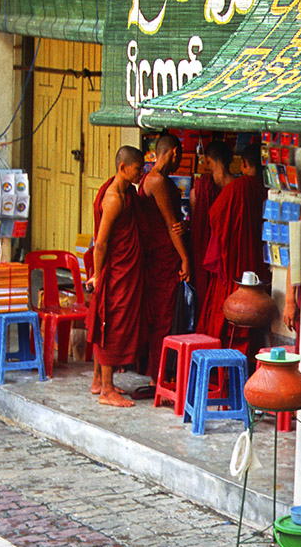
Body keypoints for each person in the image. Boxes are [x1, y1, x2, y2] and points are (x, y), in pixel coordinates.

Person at [87, 146, 146, 408]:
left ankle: (99, 380)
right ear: (123, 168)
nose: (141, 172)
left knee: (111, 320)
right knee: (111, 323)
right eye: (137, 168)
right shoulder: (113, 199)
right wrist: (98, 276)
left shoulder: (128, 192)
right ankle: (107, 391)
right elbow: (101, 243)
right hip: (114, 272)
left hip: (125, 268)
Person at [198, 144, 267, 345]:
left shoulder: (239, 188)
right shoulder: (264, 190)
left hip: (233, 264)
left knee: (228, 313)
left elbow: (215, 217)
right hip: (257, 262)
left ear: (244, 164)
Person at [136, 133, 191, 380]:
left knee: (162, 314)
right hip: (163, 257)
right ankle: (158, 374)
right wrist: (185, 258)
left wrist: (182, 226)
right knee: (163, 316)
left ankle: (160, 372)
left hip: (159, 253)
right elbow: (171, 225)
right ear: (174, 153)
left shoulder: (154, 179)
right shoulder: (157, 180)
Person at [189, 141, 230, 302]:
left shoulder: (198, 192)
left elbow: (195, 228)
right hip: (229, 256)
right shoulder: (238, 188)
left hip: (206, 253)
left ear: (207, 160)